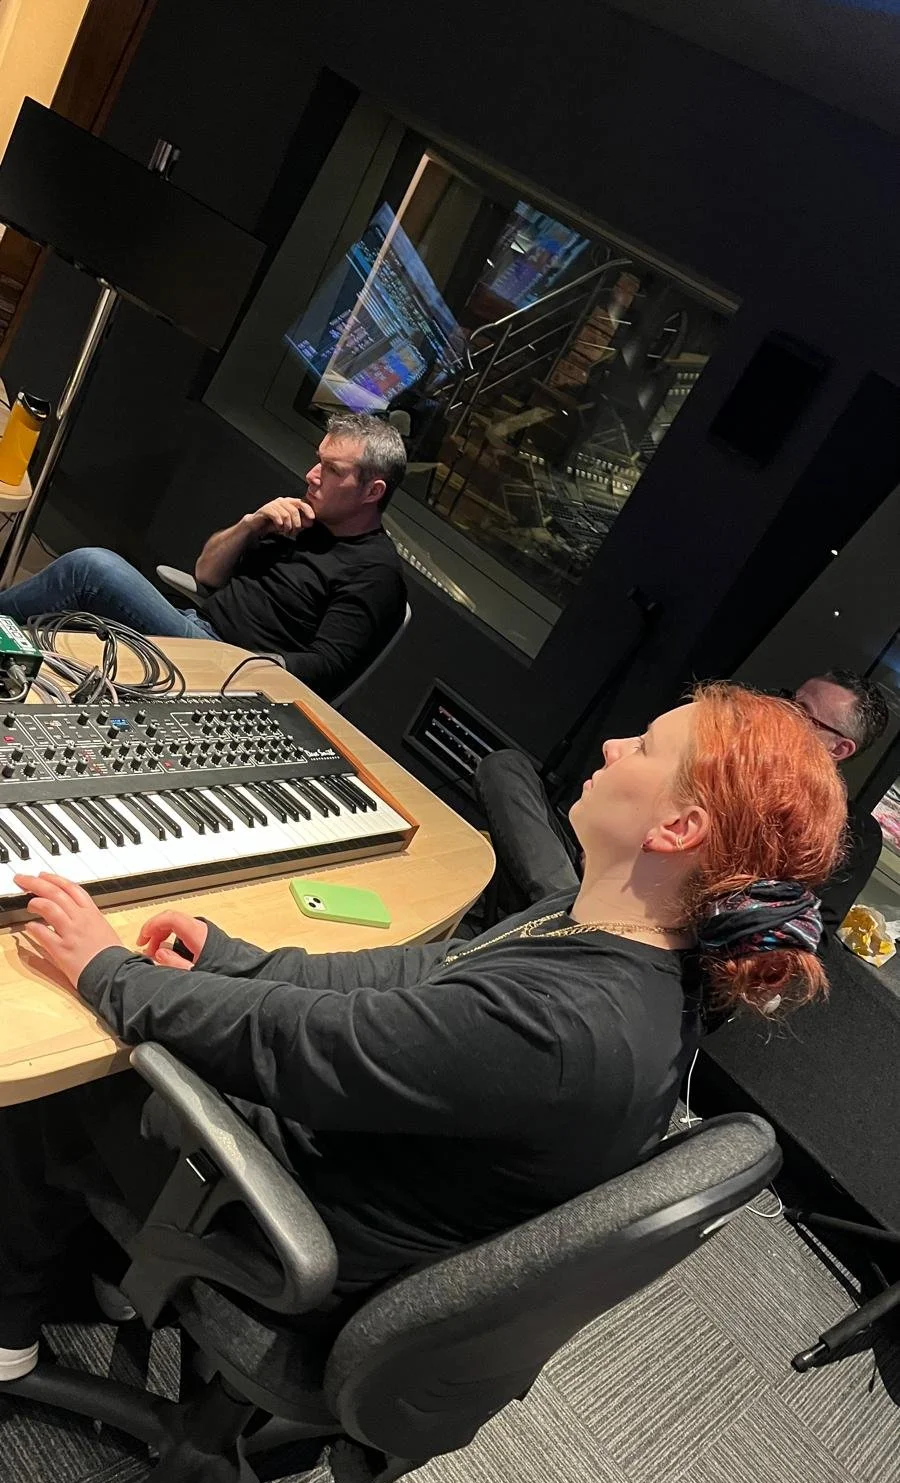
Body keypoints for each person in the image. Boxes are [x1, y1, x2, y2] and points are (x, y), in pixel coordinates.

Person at [0, 684, 846, 1380]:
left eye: (647, 747)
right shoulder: (614, 921)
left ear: (678, 829)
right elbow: (413, 980)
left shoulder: (562, 1027)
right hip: (369, 1161)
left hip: (299, 1225)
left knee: (66, 1063)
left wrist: (109, 972)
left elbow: (300, 1048)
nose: (614, 746)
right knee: (144, 1020)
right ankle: (108, 1272)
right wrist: (233, 958)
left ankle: (10, 1328)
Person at [0, 414, 408, 703]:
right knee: (62, 626)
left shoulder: (375, 573)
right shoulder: (300, 519)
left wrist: (237, 663)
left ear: (372, 491)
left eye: (331, 469)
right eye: (318, 461)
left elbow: (327, 668)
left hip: (228, 663)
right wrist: (251, 524)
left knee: (91, 569)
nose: (311, 475)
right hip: (194, 623)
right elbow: (205, 574)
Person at [477, 668, 889, 931]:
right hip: (600, 866)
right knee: (505, 768)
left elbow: (803, 931)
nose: (781, 711)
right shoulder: (735, 757)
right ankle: (565, 911)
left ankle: (569, 917)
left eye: (800, 711)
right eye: (787, 699)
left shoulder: (840, 832)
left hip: (654, 920)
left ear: (839, 749)